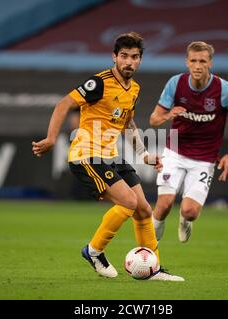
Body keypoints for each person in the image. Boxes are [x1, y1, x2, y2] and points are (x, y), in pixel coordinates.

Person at [32, 32, 184, 281]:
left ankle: (153, 268)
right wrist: (50, 138)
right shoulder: (100, 82)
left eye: (134, 57)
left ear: (140, 60)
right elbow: (63, 104)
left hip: (110, 155)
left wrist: (144, 155)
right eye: (123, 56)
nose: (129, 62)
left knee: (144, 209)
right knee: (128, 202)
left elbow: (128, 123)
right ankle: (94, 251)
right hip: (87, 155)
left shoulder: (134, 88)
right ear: (114, 56)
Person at [150, 41, 228, 243]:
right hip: (175, 152)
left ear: (210, 63)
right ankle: (148, 250)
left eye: (202, 61)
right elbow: (153, 120)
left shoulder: (224, 89)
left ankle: (185, 220)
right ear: (187, 63)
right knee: (164, 205)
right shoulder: (175, 84)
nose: (198, 65)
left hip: (205, 159)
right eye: (193, 61)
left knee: (190, 212)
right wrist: (169, 114)